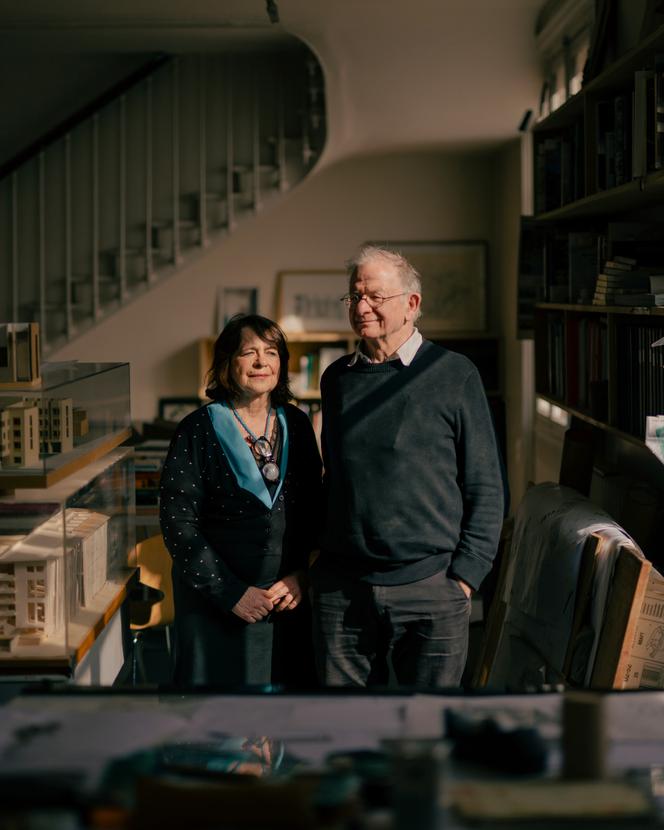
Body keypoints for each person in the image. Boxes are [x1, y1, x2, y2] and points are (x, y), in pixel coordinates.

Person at [310, 245, 504, 688]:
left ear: (411, 304)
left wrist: (465, 577)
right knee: (348, 736)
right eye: (354, 297)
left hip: (433, 587)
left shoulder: (455, 374)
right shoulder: (337, 378)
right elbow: (334, 477)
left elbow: (486, 485)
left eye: (375, 296)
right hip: (344, 590)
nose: (362, 307)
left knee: (428, 735)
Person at [160, 313, 322, 687]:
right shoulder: (197, 429)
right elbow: (177, 524)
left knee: (288, 723)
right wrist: (230, 592)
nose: (261, 362)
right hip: (217, 605)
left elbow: (317, 510)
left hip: (286, 603)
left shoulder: (297, 423)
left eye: (271, 352)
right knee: (223, 732)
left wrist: (303, 577)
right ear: (226, 365)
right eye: (248, 353)